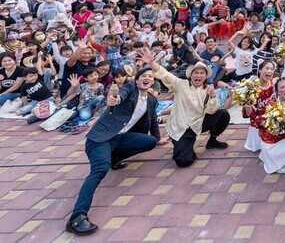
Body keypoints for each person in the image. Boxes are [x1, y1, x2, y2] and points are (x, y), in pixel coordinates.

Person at [66, 67, 160, 236]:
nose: (147, 78)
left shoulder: (152, 100)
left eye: (150, 77)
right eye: (143, 76)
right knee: (100, 169)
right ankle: (77, 217)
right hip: (100, 139)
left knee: (150, 142)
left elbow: (152, 121)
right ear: (137, 80)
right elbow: (120, 95)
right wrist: (115, 99)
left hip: (121, 139)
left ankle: (113, 159)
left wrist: (159, 139)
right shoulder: (130, 89)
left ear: (153, 81)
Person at [141, 48, 230, 167]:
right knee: (183, 161)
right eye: (196, 73)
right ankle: (182, 147)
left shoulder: (208, 89)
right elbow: (166, 75)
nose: (198, 75)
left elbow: (211, 110)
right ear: (191, 75)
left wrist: (213, 97)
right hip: (182, 127)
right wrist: (152, 63)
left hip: (198, 123)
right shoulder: (181, 85)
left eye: (202, 73)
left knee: (223, 114)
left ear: (206, 76)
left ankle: (212, 140)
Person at [242, 61, 276, 152]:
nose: (270, 71)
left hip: (272, 120)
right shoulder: (252, 88)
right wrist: (247, 102)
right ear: (260, 70)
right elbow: (249, 114)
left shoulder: (274, 85)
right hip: (258, 124)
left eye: (272, 69)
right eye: (267, 68)